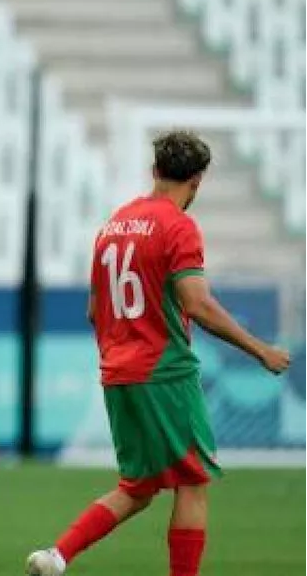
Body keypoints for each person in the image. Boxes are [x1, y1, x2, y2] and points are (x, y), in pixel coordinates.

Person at [25, 130, 292, 576]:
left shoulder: (114, 224)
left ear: (154, 171)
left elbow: (95, 310)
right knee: (192, 483)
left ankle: (57, 556)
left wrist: (119, 353)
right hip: (164, 372)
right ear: (198, 181)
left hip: (118, 373)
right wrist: (260, 350)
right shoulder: (179, 226)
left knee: (140, 486)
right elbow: (197, 304)